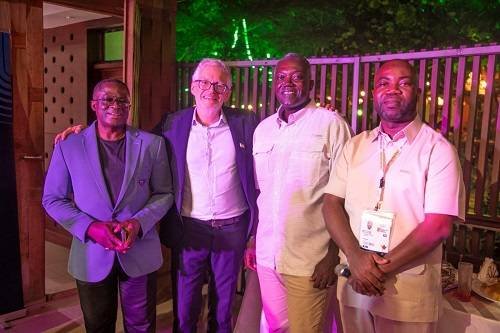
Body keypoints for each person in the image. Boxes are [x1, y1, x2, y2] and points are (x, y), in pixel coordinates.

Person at [322, 59, 465, 333]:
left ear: (418, 93)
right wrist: (355, 257)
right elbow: (331, 204)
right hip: (355, 289)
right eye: (384, 83)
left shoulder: (438, 150)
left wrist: (375, 270)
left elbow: (438, 226)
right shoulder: (355, 146)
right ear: (374, 92)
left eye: (404, 83)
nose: (393, 90)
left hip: (408, 294)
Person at [43, 79, 174, 332]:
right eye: (108, 99)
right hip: (91, 253)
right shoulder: (69, 146)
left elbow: (164, 193)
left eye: (123, 100)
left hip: (138, 249)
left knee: (142, 326)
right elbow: (52, 199)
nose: (116, 104)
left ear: (129, 106)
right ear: (94, 104)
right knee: (97, 325)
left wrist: (139, 223)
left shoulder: (151, 145)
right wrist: (90, 228)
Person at [154, 58, 258, 333]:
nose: (211, 90)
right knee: (185, 311)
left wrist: (320, 117)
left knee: (223, 311)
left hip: (232, 227)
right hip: (189, 227)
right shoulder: (171, 124)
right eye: (204, 83)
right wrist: (84, 132)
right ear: (191, 87)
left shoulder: (246, 123)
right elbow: (137, 146)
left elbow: (280, 140)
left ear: (228, 92)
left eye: (219, 85)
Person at [251, 53, 352, 332]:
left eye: (296, 76)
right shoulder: (263, 130)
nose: (288, 82)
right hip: (268, 256)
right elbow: (264, 195)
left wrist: (333, 254)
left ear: (311, 83)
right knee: (274, 329)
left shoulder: (331, 125)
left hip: (311, 259)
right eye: (281, 77)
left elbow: (347, 198)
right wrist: (253, 242)